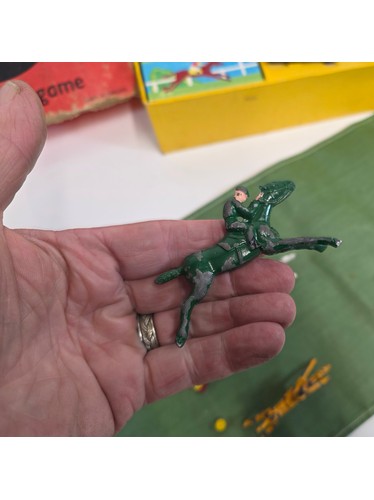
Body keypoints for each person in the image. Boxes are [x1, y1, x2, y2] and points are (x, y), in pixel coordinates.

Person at [0, 80, 296, 436]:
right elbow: (233, 212)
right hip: (218, 257)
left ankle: (183, 315)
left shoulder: (254, 216)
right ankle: (185, 320)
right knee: (196, 298)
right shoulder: (244, 215)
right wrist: (238, 211)